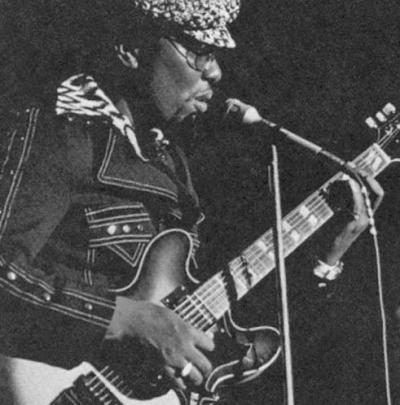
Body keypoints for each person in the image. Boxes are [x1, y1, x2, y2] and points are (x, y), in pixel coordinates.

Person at [0, 0, 384, 403]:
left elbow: (234, 334)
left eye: (215, 56)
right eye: (200, 52)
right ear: (131, 50)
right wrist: (125, 319)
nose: (215, 72)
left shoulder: (170, 165)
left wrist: (328, 258)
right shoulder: (62, 136)